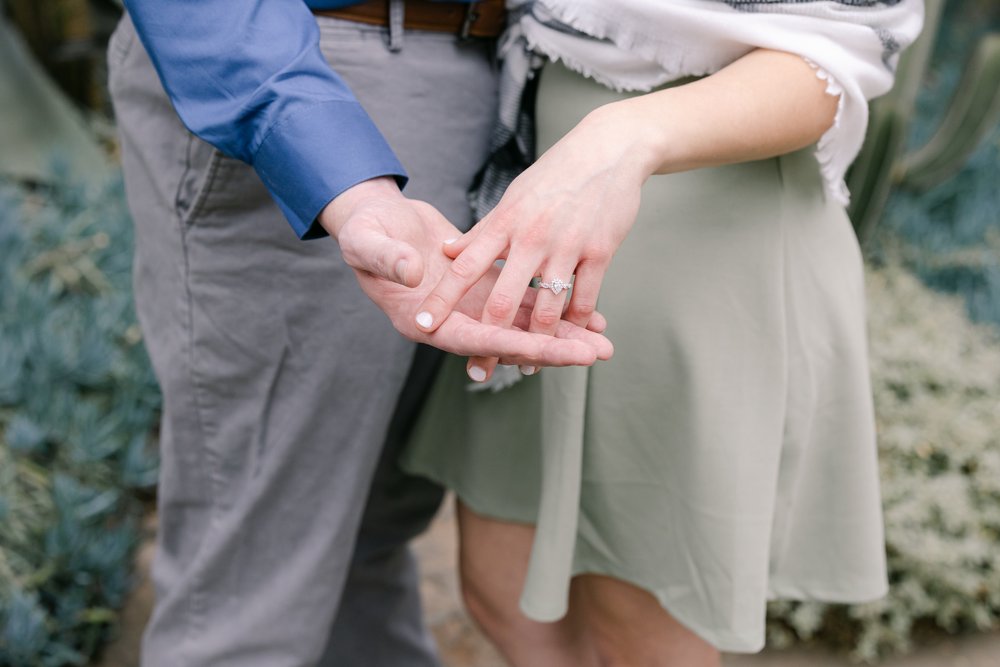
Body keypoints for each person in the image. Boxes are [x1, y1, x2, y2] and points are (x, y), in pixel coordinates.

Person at [403, 0, 925, 665]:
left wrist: (622, 137)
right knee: (501, 586)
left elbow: (842, 47)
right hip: (538, 201)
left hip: (699, 223)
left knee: (641, 622)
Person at [106, 1, 612, 665]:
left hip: (497, 75)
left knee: (368, 540)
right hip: (310, 67)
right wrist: (345, 180)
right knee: (255, 584)